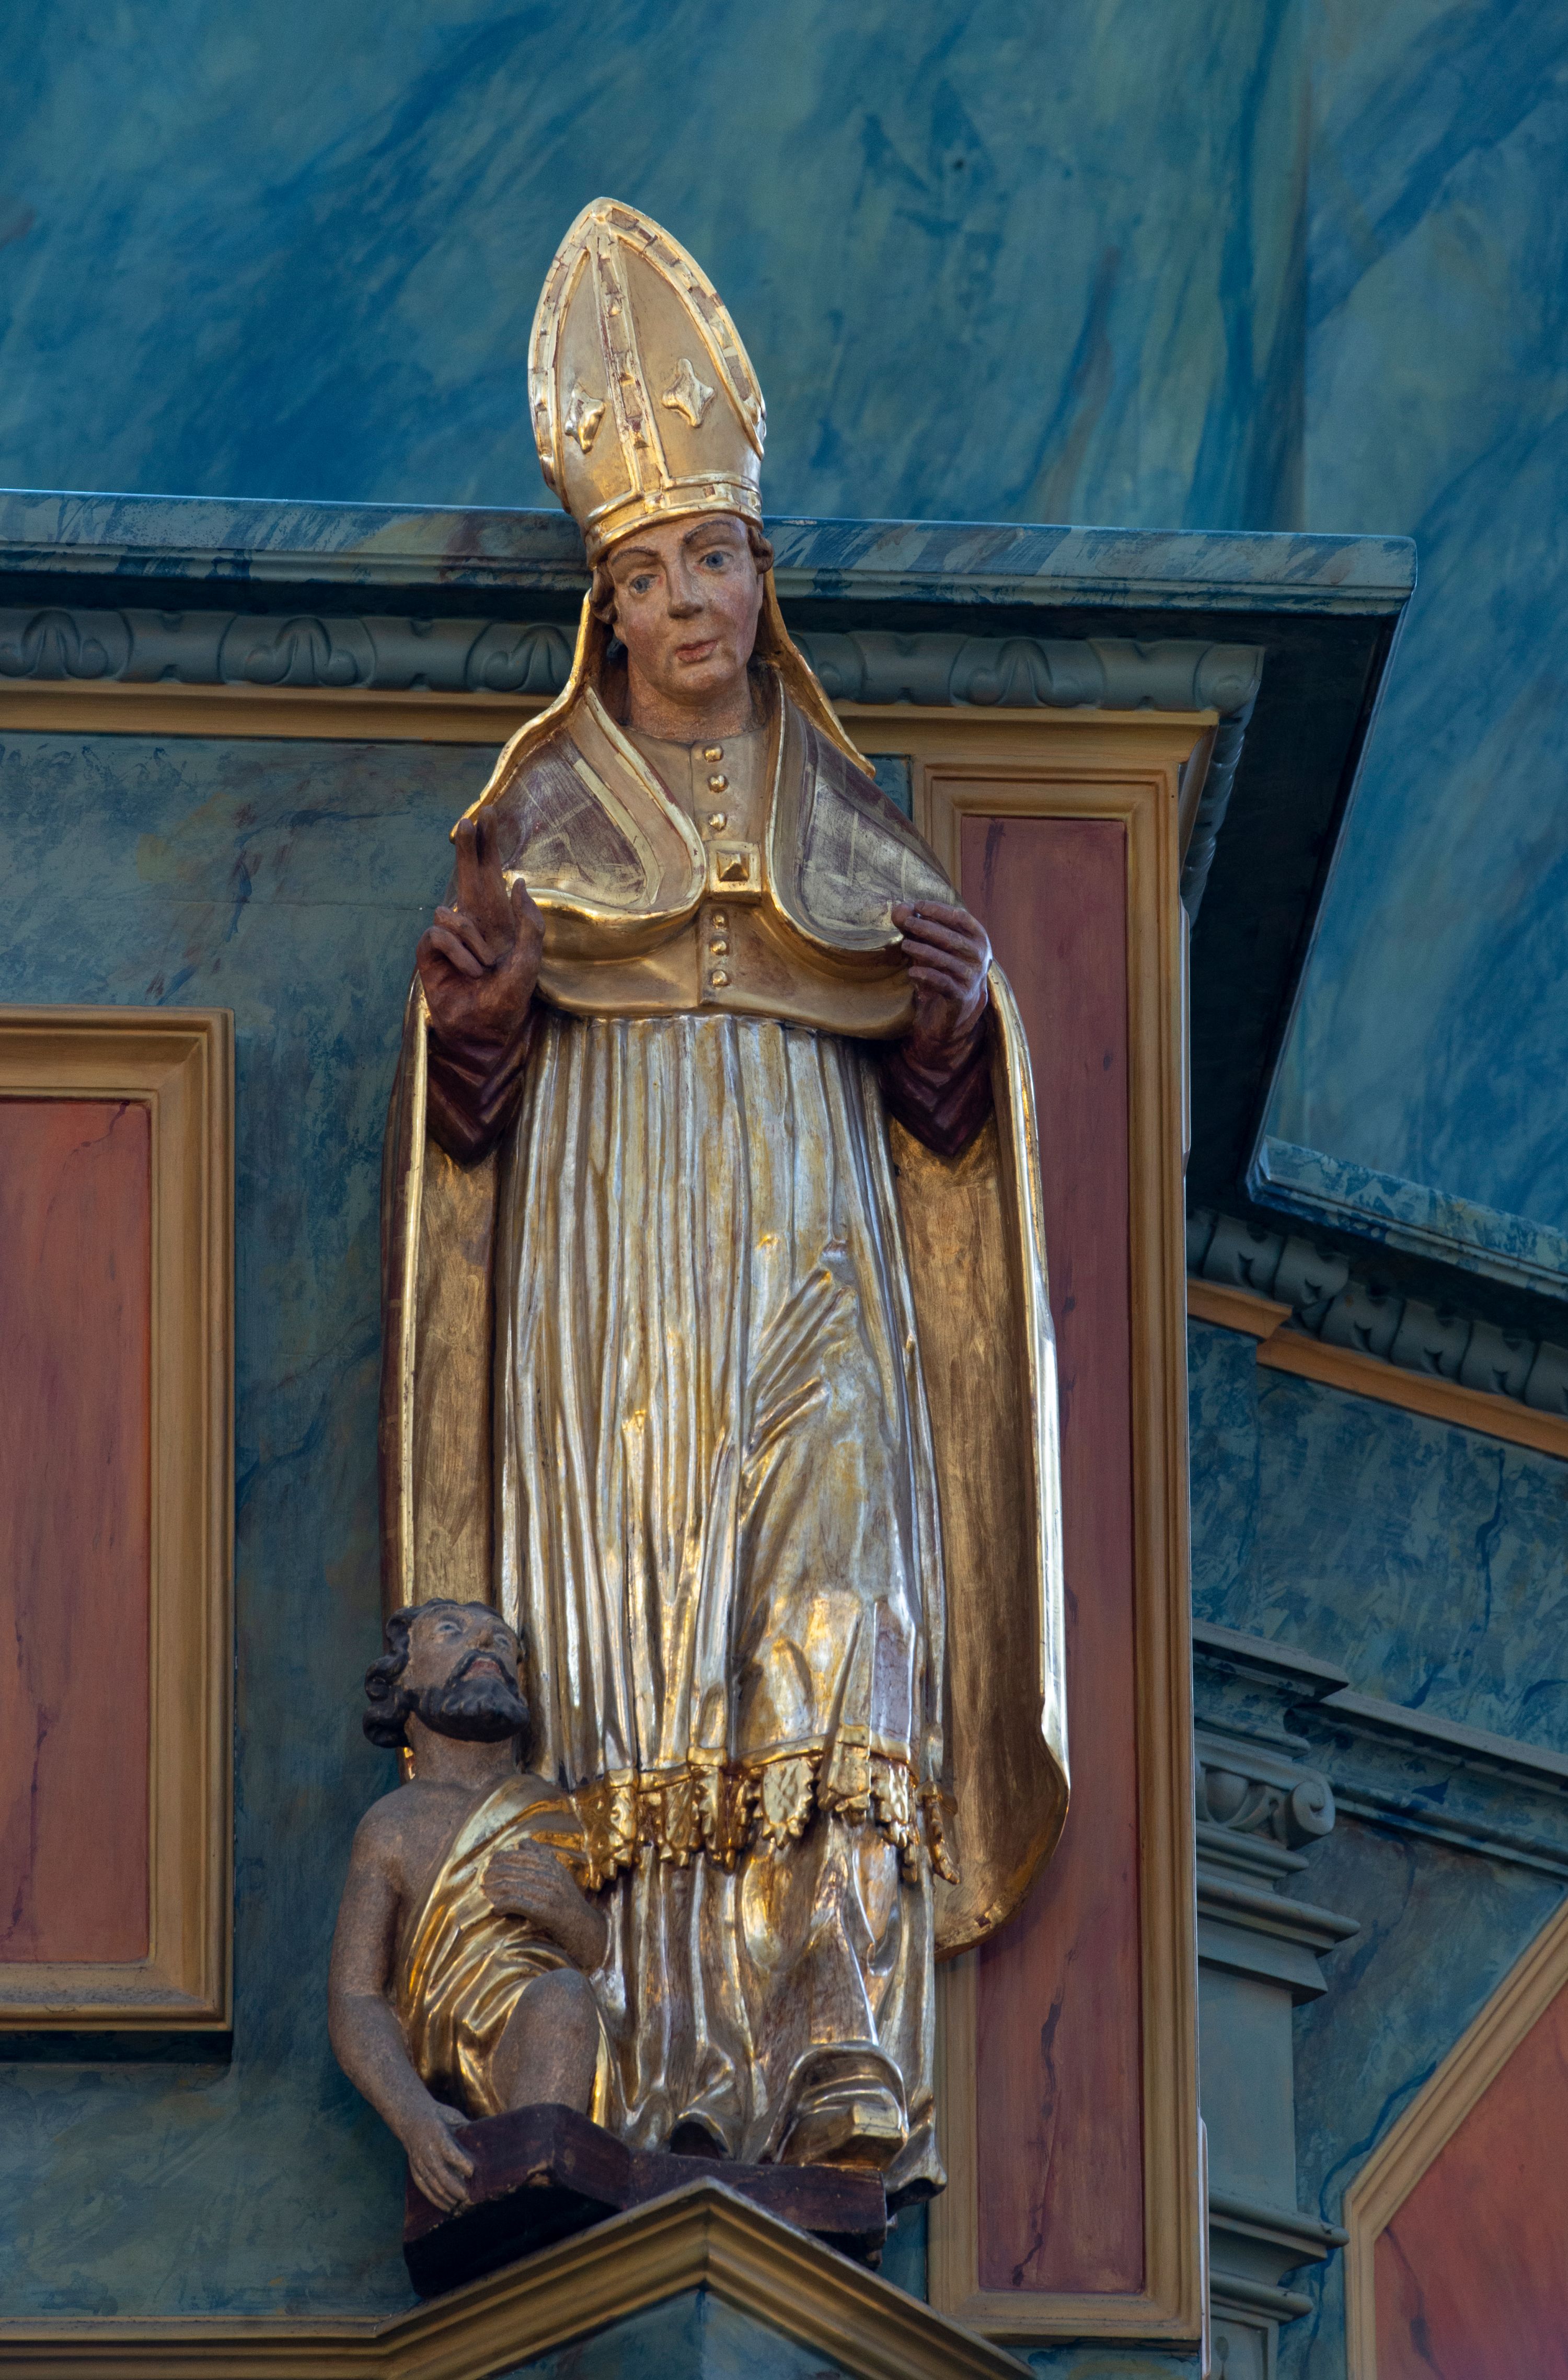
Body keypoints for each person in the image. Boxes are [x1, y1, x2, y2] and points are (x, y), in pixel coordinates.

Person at [380, 199, 1068, 2203]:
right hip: (615, 1261)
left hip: (818, 1232)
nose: (688, 596)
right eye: (647, 569)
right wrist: (482, 1032)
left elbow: (956, 1129)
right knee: (645, 1624)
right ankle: (657, 2056)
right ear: (603, 612)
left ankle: (831, 2030)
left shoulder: (847, 820)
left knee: (838, 1597)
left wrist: (948, 1037)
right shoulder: (538, 820)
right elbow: (461, 1138)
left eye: (716, 555)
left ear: (764, 579)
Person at [328, 1600, 607, 2213]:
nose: (486, 1644)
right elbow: (356, 1996)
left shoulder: (555, 1809)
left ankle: (535, 2202)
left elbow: (600, 1958)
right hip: (446, 2059)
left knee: (563, 1998)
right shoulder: (391, 1825)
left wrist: (569, 1913)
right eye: (452, 1630)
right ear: (402, 1681)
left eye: (503, 1642)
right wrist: (414, 2115)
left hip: (535, 2034)